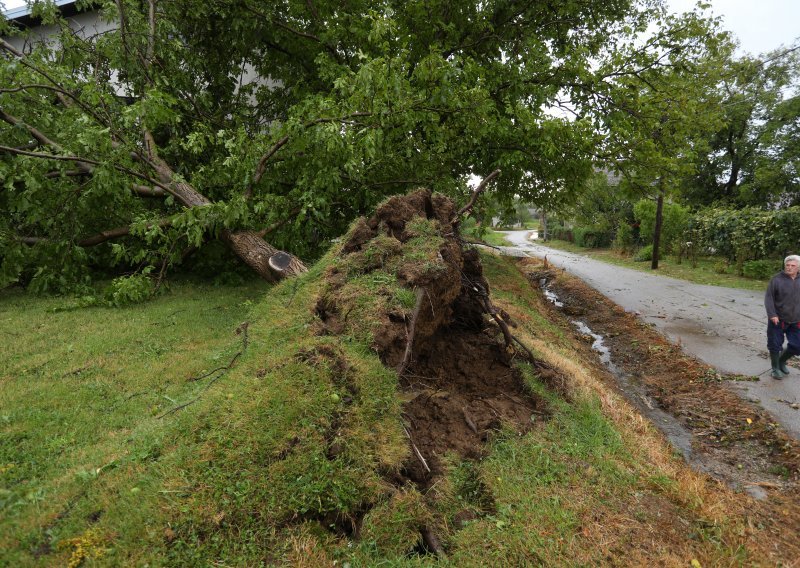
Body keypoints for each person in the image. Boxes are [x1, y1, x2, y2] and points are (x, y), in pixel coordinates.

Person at [765, 254, 800, 379]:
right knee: (775, 344)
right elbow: (769, 298)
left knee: (797, 345)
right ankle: (775, 368)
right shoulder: (776, 280)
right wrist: (772, 314)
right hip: (778, 320)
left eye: (793, 266)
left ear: (798, 268)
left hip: (796, 320)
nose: (789, 268)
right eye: (787, 265)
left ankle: (781, 361)